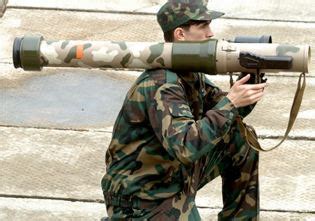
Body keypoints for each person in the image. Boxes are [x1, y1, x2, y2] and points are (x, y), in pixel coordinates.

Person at [101, 0, 267, 220]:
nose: (211, 33)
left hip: (172, 178)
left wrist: (249, 82)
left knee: (241, 138)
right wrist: (231, 103)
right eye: (203, 26)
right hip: (142, 200)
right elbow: (186, 147)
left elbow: (224, 116)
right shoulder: (161, 83)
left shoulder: (189, 73)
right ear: (180, 34)